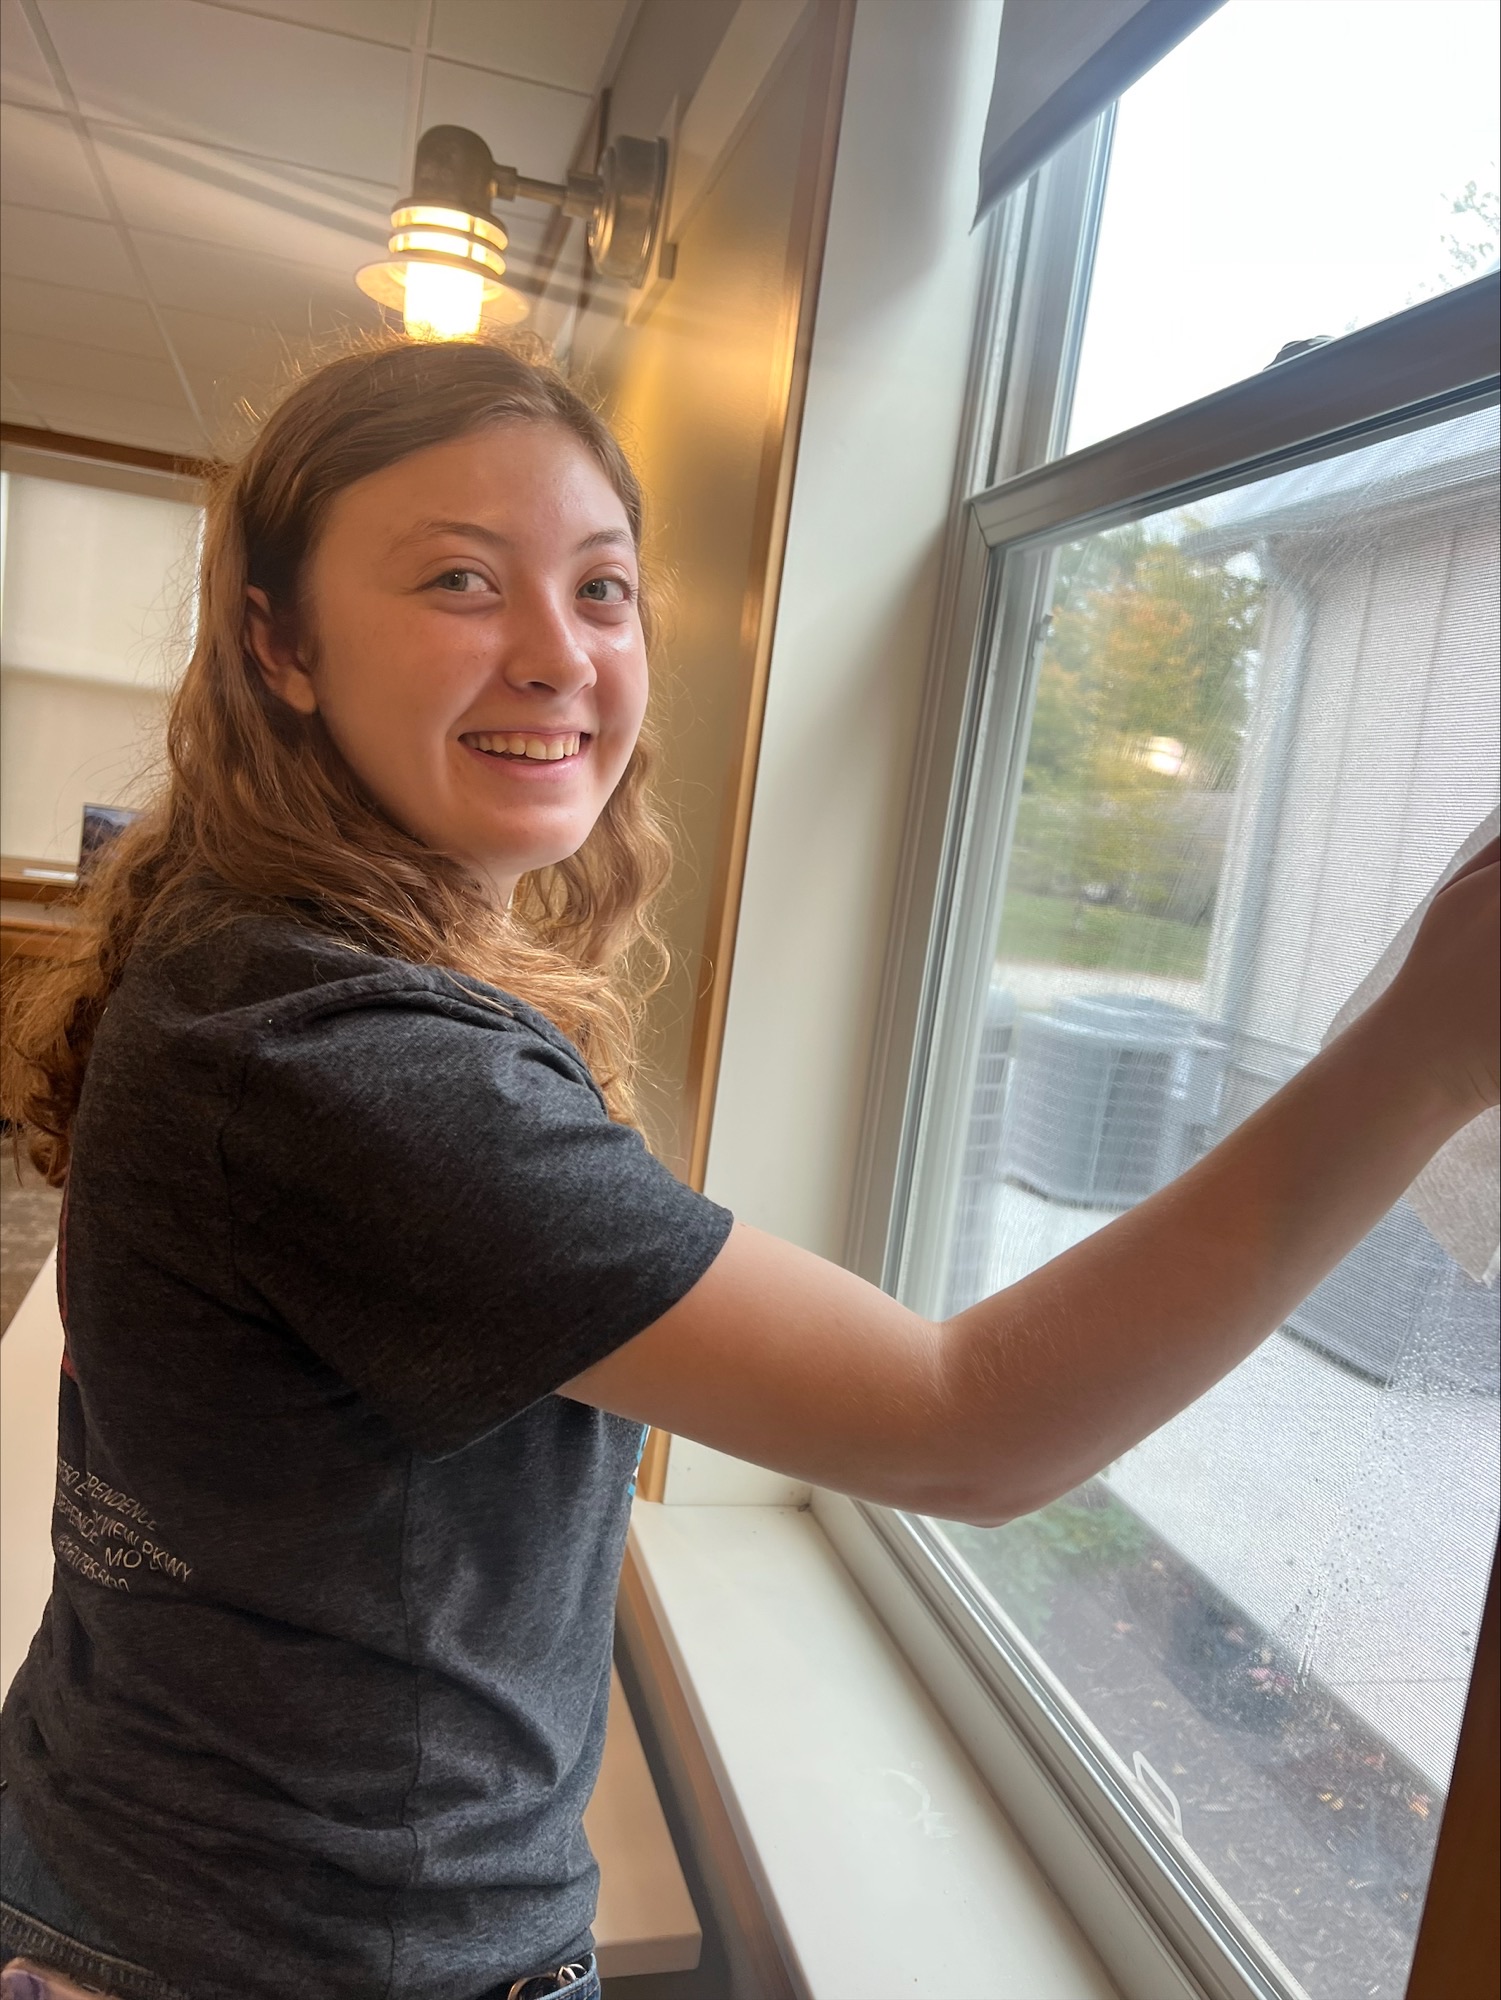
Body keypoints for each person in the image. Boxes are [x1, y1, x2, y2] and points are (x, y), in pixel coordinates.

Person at [0, 336, 1495, 2000]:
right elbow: (967, 1424)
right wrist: (1422, 1051)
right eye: (459, 581)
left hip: (146, 1856)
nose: (558, 655)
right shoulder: (347, 1061)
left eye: (603, 589)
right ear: (280, 643)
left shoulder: (246, 943)